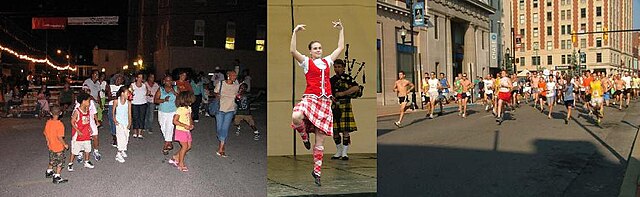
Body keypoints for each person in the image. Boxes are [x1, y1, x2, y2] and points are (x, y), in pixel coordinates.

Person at [289, 19, 344, 186]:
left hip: (325, 102)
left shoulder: (327, 61)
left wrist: (341, 29)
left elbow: (340, 47)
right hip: (311, 98)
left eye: (320, 48)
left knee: (320, 140)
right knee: (296, 116)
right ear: (310, 51)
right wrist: (295, 32)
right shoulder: (306, 62)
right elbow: (292, 51)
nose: (318, 50)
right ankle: (304, 136)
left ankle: (317, 172)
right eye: (315, 48)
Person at [329, 59, 361, 160]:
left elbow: (356, 88)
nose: (337, 69)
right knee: (335, 130)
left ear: (343, 68)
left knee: (345, 130)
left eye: (339, 67)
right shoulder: (332, 79)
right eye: (335, 67)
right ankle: (338, 151)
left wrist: (343, 93)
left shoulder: (348, 78)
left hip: (345, 104)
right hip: (335, 105)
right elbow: (327, 91)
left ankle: (344, 153)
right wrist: (331, 97)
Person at [214, 70, 240, 157]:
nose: (235, 77)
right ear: (228, 75)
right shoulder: (221, 84)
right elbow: (215, 92)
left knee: (225, 128)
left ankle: (221, 148)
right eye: (233, 75)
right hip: (220, 109)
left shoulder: (236, 85)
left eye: (235, 75)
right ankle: (222, 140)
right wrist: (217, 95)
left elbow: (237, 95)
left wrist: (238, 96)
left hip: (230, 109)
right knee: (219, 129)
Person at [68, 93, 95, 172]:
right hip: (78, 135)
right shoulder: (77, 111)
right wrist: (77, 130)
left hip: (86, 133)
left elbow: (88, 120)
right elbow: (72, 122)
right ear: (83, 101)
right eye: (88, 101)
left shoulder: (87, 110)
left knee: (88, 148)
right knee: (75, 150)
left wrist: (90, 128)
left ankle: (86, 161)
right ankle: (70, 163)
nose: (89, 102)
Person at [169, 92, 195, 172]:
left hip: (187, 131)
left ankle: (175, 157)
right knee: (184, 147)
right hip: (180, 130)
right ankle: (180, 163)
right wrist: (184, 125)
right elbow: (175, 121)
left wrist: (191, 124)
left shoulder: (189, 108)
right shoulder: (180, 109)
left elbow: (190, 118)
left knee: (188, 146)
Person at [43, 106, 69, 184]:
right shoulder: (60, 124)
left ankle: (49, 171)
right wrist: (65, 144)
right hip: (58, 147)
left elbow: (45, 133)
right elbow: (60, 137)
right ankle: (57, 176)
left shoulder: (48, 122)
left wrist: (48, 141)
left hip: (51, 145)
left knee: (52, 159)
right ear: (60, 113)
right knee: (60, 162)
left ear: (50, 113)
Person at [155, 75, 178, 155]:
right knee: (163, 126)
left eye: (170, 80)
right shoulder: (160, 89)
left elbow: (181, 98)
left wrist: (174, 93)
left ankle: (166, 145)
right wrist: (164, 100)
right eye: (167, 80)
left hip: (172, 111)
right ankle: (169, 142)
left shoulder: (175, 88)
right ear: (164, 81)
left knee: (170, 126)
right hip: (162, 111)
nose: (169, 82)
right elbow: (155, 100)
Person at [113, 86, 132, 163]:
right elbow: (113, 111)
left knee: (126, 136)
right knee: (121, 137)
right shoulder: (116, 101)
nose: (128, 95)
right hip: (119, 122)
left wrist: (130, 123)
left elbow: (129, 113)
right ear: (122, 93)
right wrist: (114, 119)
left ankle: (123, 150)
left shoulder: (128, 102)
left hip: (125, 122)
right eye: (127, 93)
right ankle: (118, 153)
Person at [106, 75, 124, 147]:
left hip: (120, 106)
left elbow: (124, 97)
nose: (118, 80)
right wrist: (117, 97)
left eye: (120, 79)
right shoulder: (111, 86)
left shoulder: (123, 87)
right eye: (117, 79)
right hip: (111, 105)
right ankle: (114, 137)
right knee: (112, 121)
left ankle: (119, 137)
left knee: (119, 121)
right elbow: (109, 97)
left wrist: (115, 97)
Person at [130, 73, 148, 139]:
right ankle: (135, 132)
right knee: (135, 117)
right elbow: (129, 94)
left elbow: (147, 93)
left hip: (143, 103)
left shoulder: (144, 85)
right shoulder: (132, 85)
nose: (140, 79)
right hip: (134, 103)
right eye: (139, 77)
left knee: (142, 118)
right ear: (136, 78)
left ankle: (140, 133)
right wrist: (131, 93)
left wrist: (148, 93)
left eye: (141, 77)